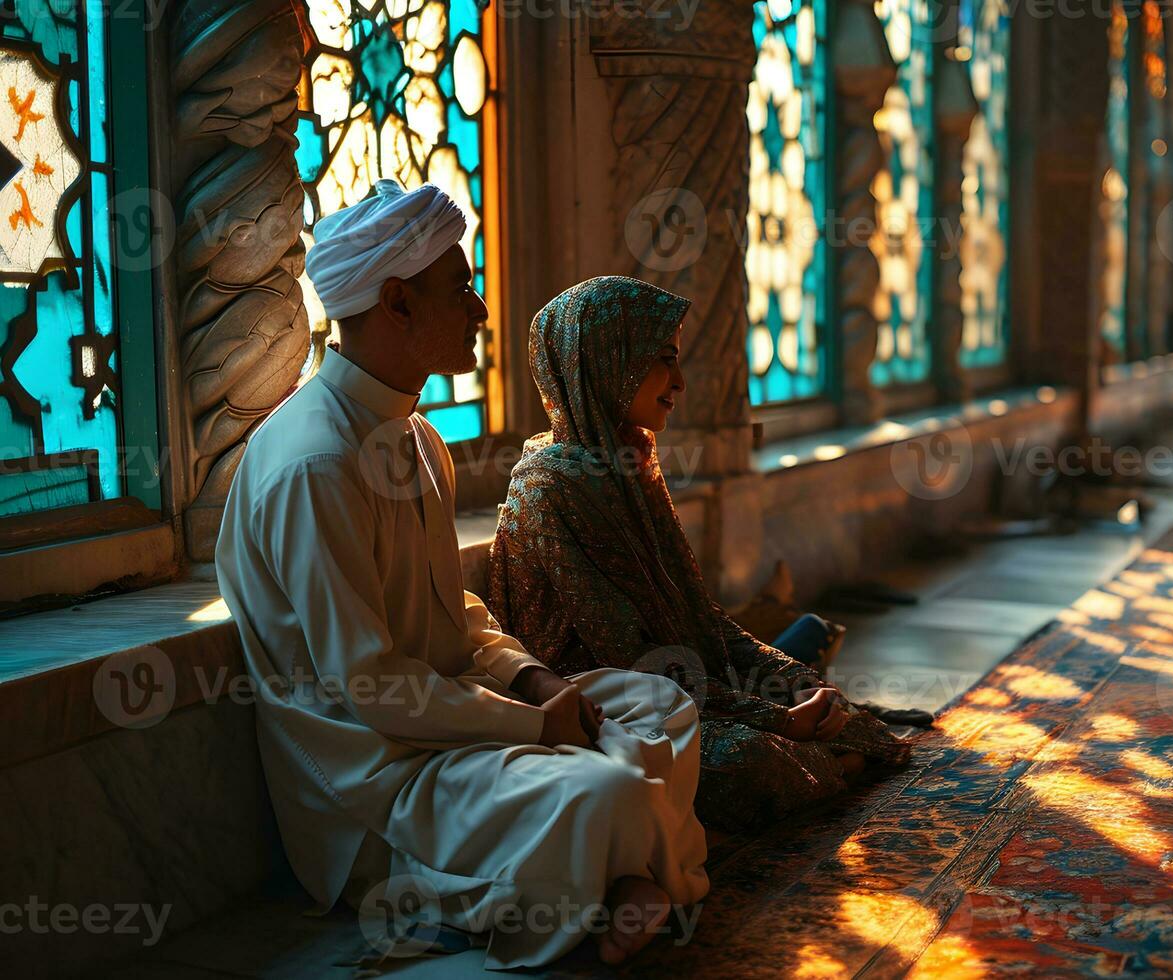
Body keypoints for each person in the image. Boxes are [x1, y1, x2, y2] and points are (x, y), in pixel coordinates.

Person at [215, 183, 708, 970]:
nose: (481, 310)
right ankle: (577, 873)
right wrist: (530, 727)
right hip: (384, 780)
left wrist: (534, 681)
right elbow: (369, 688)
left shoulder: (415, 438)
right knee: (610, 788)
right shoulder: (315, 464)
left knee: (663, 705)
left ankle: (606, 873)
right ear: (397, 303)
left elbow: (456, 611)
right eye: (461, 287)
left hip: (465, 721)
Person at [486, 276, 910, 833]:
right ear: (608, 363)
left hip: (681, 681)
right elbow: (630, 657)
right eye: (662, 361)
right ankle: (814, 755)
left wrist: (789, 681)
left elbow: (698, 613)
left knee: (824, 703)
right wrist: (777, 719)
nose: (679, 383)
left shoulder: (629, 461)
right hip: (610, 706)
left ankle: (813, 720)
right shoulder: (551, 487)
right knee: (747, 763)